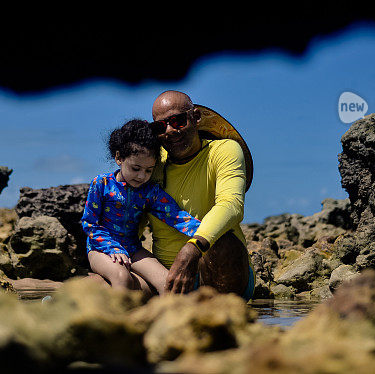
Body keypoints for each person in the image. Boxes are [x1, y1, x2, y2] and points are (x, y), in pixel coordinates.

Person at [146, 90, 254, 300]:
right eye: (160, 126)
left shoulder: (224, 150)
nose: (169, 131)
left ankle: (221, 323)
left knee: (224, 243)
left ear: (195, 117)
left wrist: (192, 249)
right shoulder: (151, 163)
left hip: (218, 274)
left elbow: (231, 204)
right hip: (165, 280)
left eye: (177, 121)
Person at [81, 119, 202, 294]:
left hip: (132, 247)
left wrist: (205, 233)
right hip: (100, 249)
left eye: (148, 170)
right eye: (136, 168)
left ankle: (169, 319)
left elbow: (175, 216)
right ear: (119, 158)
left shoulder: (150, 191)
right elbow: (89, 224)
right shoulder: (102, 183)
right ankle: (119, 320)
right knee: (122, 277)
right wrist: (111, 247)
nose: (141, 176)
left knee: (168, 282)